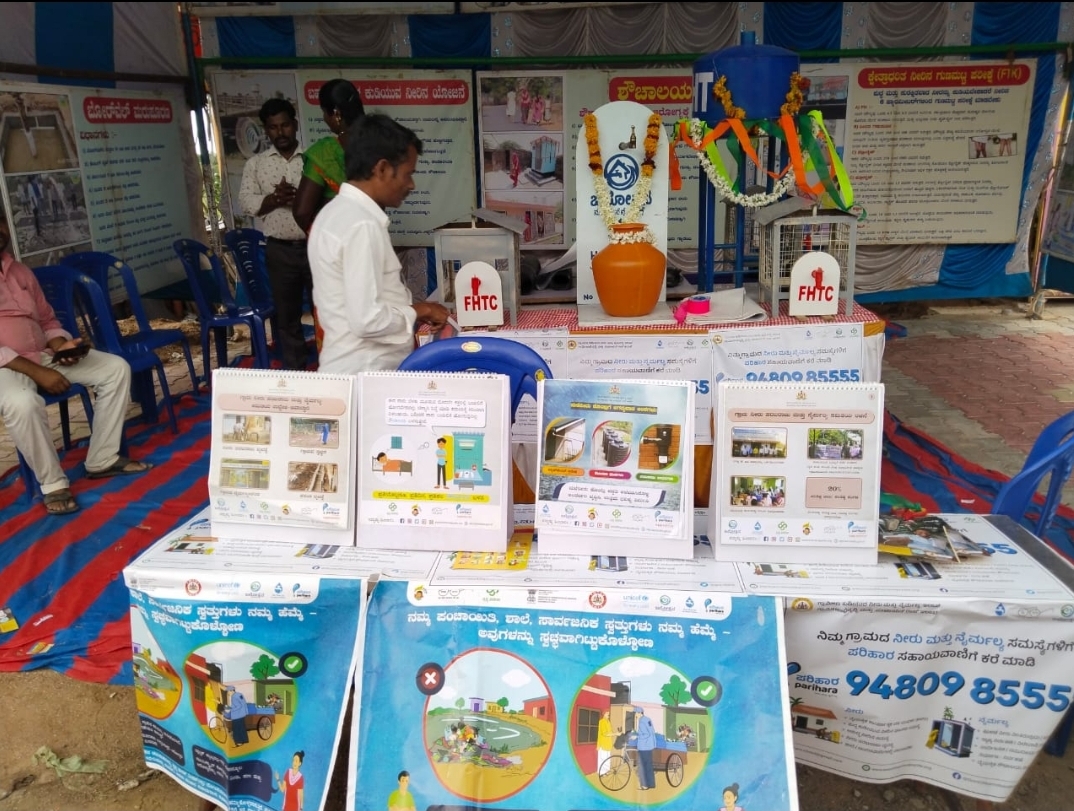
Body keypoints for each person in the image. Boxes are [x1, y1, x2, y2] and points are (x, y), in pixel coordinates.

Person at [0, 215, 151, 515]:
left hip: (41, 354)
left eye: (0, 222)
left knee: (115, 368)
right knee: (22, 403)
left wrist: (62, 347)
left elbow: (47, 320)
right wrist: (38, 372)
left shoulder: (20, 271)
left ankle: (102, 459)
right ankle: (53, 484)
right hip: (7, 367)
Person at [307, 114, 448, 374]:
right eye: (408, 174)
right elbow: (367, 319)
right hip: (366, 372)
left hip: (352, 367)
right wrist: (421, 310)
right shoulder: (361, 224)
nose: (411, 184)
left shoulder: (334, 213)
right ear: (382, 169)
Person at [238, 98, 312, 371]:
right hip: (279, 250)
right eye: (273, 127)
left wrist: (300, 199)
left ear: (295, 125)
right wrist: (274, 199)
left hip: (315, 247)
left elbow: (331, 199)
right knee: (287, 317)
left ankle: (332, 372)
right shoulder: (256, 164)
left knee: (326, 313)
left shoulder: (312, 159)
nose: (280, 132)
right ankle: (297, 374)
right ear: (265, 130)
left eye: (285, 125)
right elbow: (246, 202)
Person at [292, 79, 366, 234]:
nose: (325, 118)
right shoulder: (379, 142)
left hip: (337, 240)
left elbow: (302, 213)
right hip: (370, 236)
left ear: (336, 113)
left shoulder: (324, 152)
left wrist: (324, 238)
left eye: (324, 112)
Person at [634, 706, 656, 791]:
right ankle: (651, 784)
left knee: (642, 767)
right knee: (648, 766)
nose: (635, 715)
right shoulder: (647, 719)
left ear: (640, 713)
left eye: (636, 713)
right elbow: (652, 731)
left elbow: (646, 734)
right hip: (649, 746)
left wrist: (637, 736)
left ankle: (644, 785)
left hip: (643, 746)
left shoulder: (641, 721)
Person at [596, 709, 614, 776]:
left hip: (608, 743)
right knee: (602, 759)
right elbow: (605, 733)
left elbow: (610, 732)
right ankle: (601, 773)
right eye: (607, 713)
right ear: (603, 714)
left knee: (607, 758)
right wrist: (615, 734)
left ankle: (606, 771)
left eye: (608, 713)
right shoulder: (602, 722)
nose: (608, 714)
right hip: (602, 744)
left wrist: (615, 733)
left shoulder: (608, 722)